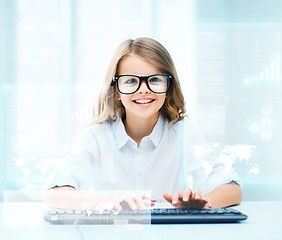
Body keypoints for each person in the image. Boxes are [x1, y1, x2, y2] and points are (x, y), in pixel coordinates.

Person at [44, 37, 242, 211]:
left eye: (155, 79)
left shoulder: (183, 133)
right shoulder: (96, 136)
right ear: (117, 91)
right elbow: (55, 193)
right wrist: (108, 204)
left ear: (168, 86)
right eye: (131, 81)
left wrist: (203, 203)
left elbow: (232, 189)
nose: (144, 90)